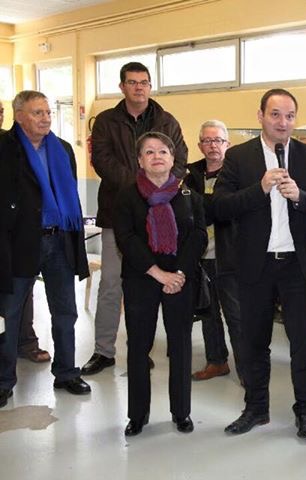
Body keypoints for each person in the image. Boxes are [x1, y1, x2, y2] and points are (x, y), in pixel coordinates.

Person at [213, 88, 306, 440]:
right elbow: (219, 207)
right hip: (256, 266)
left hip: (298, 266)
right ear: (261, 117)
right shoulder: (238, 157)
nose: (283, 122)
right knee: (254, 342)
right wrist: (260, 188)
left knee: (304, 343)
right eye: (275, 114)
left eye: (290, 116)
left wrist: (301, 196)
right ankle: (256, 408)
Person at [83, 61, 188, 375]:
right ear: (122, 87)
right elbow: (102, 161)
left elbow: (179, 159)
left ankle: (141, 349)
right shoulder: (106, 121)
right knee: (111, 284)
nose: (139, 87)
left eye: (144, 82)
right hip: (118, 214)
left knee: (144, 286)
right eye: (132, 82)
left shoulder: (167, 120)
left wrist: (156, 188)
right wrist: (140, 188)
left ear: (150, 86)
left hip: (161, 215)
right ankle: (103, 351)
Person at [0, 90, 91, 409]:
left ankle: (66, 372)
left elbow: (70, 195)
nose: (46, 118)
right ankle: (3, 381)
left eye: (48, 112)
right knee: (9, 314)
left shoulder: (62, 149)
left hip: (60, 239)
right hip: (20, 244)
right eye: (37, 113)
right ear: (19, 116)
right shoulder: (5, 148)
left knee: (65, 311)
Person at [114, 132, 207, 436]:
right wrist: (158, 273)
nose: (157, 156)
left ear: (172, 157)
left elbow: (198, 235)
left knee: (180, 345)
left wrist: (178, 273)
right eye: (149, 152)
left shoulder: (188, 194)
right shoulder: (127, 196)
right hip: (141, 278)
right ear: (140, 160)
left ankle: (181, 412)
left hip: (181, 279)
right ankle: (137, 415)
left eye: (163, 151)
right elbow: (126, 239)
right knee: (139, 346)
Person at [184, 120, 231, 381]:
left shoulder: (236, 174)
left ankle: (248, 368)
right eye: (208, 140)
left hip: (231, 255)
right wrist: (211, 206)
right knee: (208, 312)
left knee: (238, 315)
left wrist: (205, 206)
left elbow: (223, 210)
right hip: (201, 255)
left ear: (227, 144)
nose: (213, 145)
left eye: (218, 140)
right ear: (200, 145)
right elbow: (187, 211)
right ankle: (217, 361)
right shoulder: (190, 175)